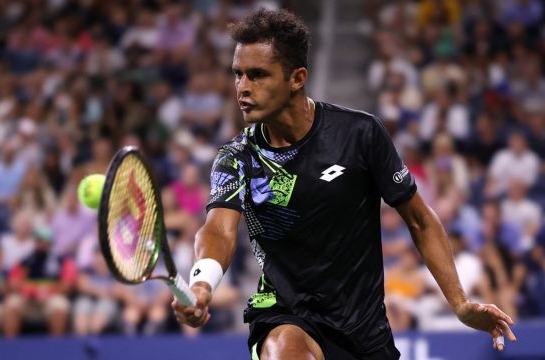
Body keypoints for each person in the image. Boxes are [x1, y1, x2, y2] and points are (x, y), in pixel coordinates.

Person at [173, 9, 516, 360]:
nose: (243, 87)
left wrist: (460, 303)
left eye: (258, 75)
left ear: (297, 78)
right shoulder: (236, 156)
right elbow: (218, 230)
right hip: (284, 315)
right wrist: (203, 283)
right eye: (238, 74)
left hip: (364, 332)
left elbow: (420, 220)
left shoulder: (360, 135)